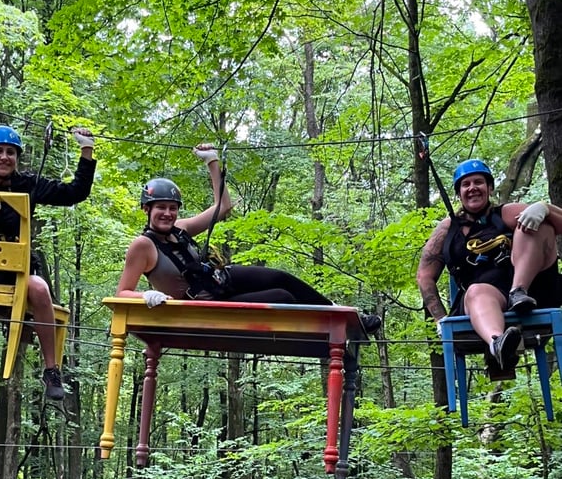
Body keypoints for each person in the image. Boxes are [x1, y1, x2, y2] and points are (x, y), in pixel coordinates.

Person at [116, 143, 381, 333]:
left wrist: (212, 162)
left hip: (221, 279)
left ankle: (343, 313)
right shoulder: (143, 246)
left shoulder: (181, 228)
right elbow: (122, 292)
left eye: (172, 208)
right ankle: (332, 325)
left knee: (280, 277)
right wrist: (147, 296)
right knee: (282, 296)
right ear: (147, 209)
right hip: (206, 303)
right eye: (161, 208)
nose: (167, 214)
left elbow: (223, 207)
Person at [0, 124, 97, 400]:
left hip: (17, 276)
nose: (4, 157)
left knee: (39, 288)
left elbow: (75, 193)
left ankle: (51, 370)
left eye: (10, 152)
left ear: (17, 157)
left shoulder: (28, 185)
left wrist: (86, 150)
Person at [416, 158, 562, 370]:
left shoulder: (506, 213)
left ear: (490, 188)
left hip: (528, 293)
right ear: (459, 193)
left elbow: (550, 227)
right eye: (466, 184)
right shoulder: (447, 230)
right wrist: (440, 319)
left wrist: (544, 209)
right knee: (477, 292)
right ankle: (499, 343)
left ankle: (518, 290)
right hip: (482, 299)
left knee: (539, 224)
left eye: (478, 182)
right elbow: (424, 276)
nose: (472, 188)